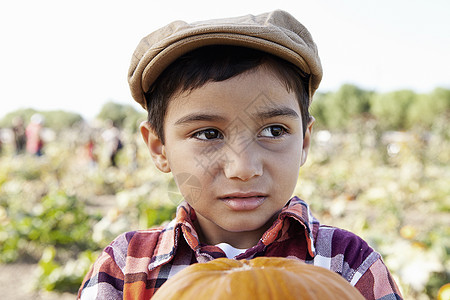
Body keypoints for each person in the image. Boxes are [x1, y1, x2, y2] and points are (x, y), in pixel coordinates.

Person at [78, 10, 402, 299]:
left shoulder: (348, 264)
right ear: (159, 148)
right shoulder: (124, 270)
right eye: (208, 134)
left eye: (273, 131)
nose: (243, 168)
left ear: (304, 142)